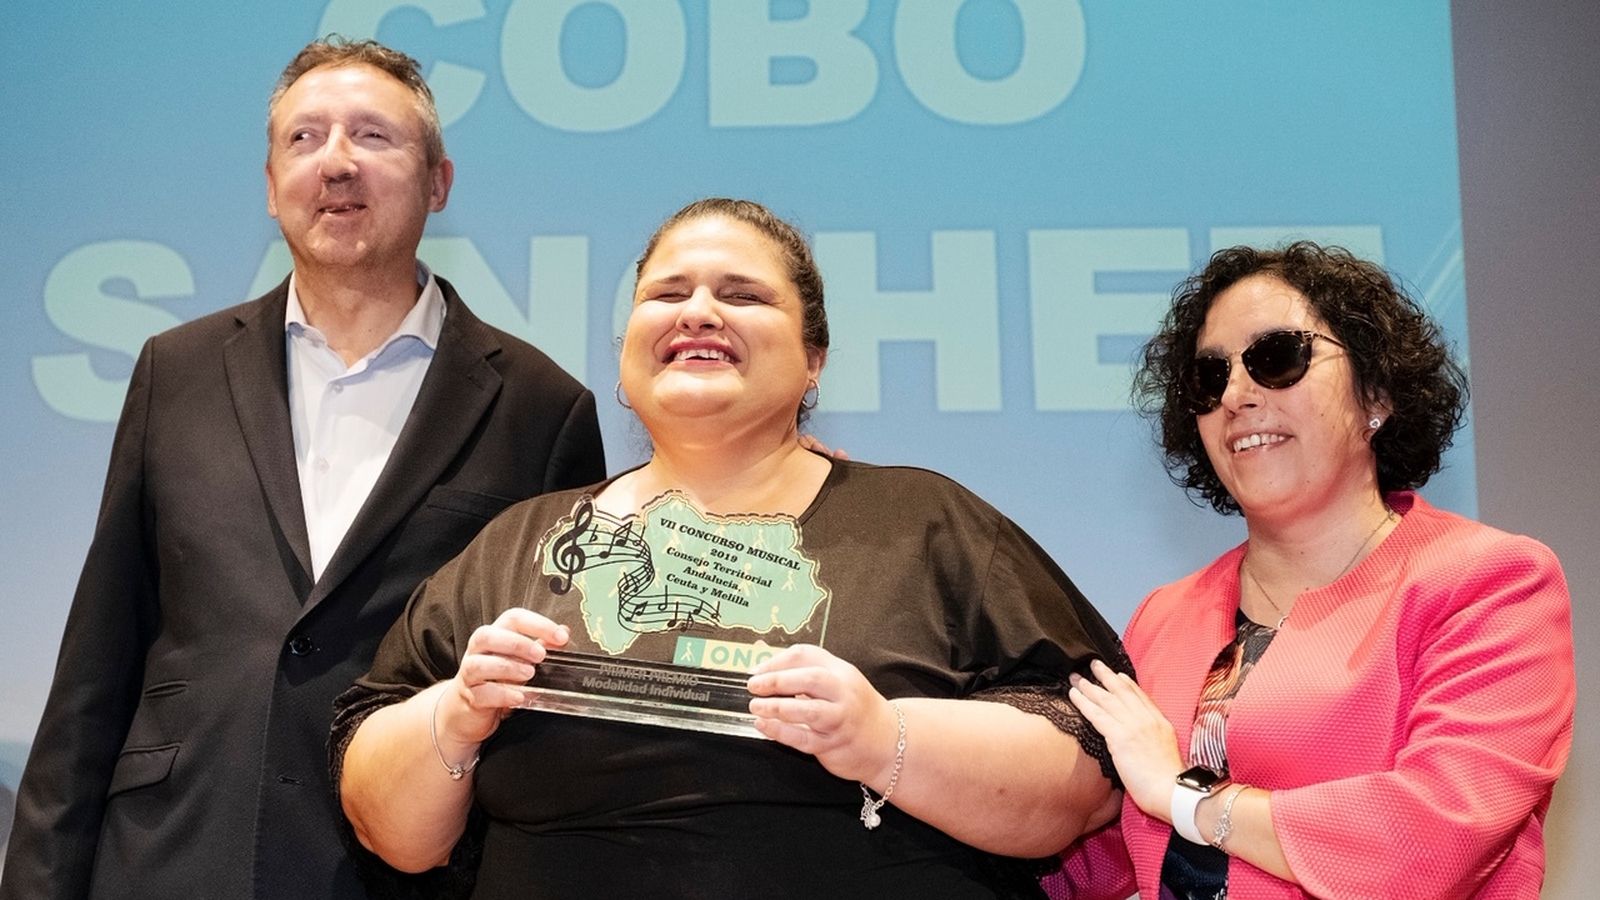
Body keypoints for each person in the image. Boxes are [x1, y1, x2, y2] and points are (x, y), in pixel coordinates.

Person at [333, 198, 1130, 899]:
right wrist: (456, 715)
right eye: (667, 294)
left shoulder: (926, 524)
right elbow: (391, 835)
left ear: (814, 358)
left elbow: (1091, 776)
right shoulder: (517, 546)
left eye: (742, 295)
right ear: (625, 353)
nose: (699, 313)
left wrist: (883, 739)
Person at [1, 37, 605, 899]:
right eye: (305, 138)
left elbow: (546, 709)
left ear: (438, 182)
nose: (336, 164)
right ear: (270, 185)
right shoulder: (176, 369)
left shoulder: (543, 408)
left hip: (398, 872)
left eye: (373, 137)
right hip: (169, 855)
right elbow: (97, 660)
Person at [1048, 243, 1575, 899]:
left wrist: (1186, 797)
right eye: (1209, 379)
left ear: (1377, 394)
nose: (1237, 395)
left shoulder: (1490, 582)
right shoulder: (1166, 615)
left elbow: (1428, 843)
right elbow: (1105, 850)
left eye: (1276, 360)